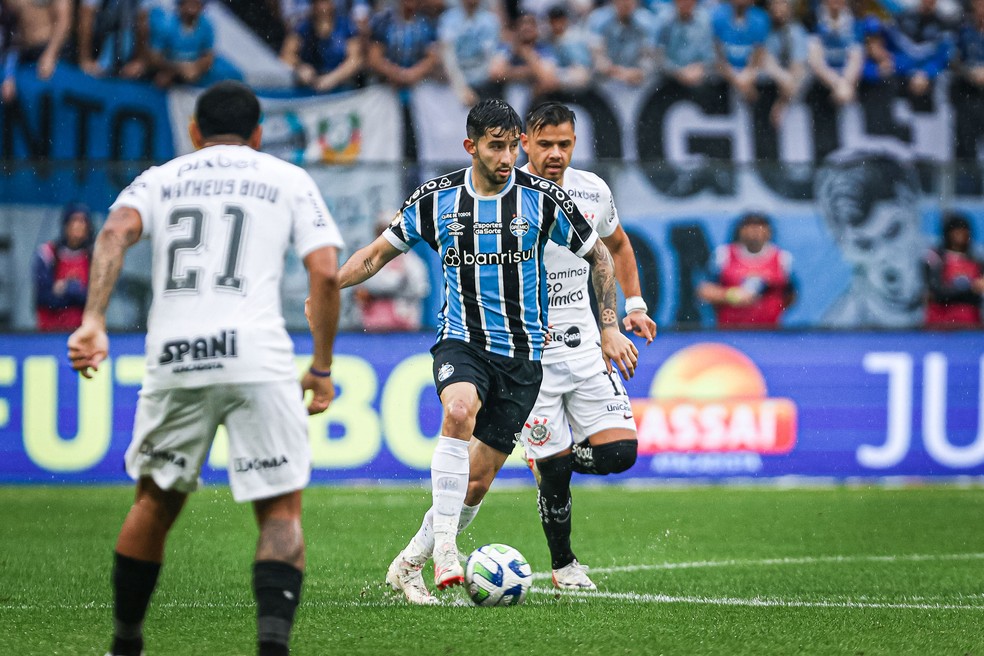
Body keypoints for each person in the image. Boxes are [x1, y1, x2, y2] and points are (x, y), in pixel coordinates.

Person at [67, 81, 344, 656]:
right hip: (256, 356)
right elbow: (324, 270)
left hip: (176, 355)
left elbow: (115, 231)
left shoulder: (162, 177)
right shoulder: (286, 177)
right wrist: (320, 365)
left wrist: (93, 318)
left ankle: (126, 643)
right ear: (259, 134)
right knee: (279, 508)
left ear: (194, 132)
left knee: (155, 501)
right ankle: (272, 649)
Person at [331, 99, 635, 604]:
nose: (508, 156)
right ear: (471, 146)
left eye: (514, 146)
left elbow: (601, 256)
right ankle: (447, 549)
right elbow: (377, 255)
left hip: (522, 357)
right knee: (458, 409)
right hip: (463, 341)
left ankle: (410, 564)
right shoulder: (438, 197)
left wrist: (608, 325)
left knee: (475, 482)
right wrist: (328, 285)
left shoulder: (542, 199)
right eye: (497, 146)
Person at [513, 101, 656, 590]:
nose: (555, 153)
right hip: (531, 358)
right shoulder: (503, 195)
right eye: (545, 143)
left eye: (565, 144)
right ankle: (564, 565)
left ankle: (548, 455)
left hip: (588, 347)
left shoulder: (592, 191)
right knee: (554, 477)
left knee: (619, 455)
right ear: (524, 141)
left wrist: (629, 308)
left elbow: (615, 247)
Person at [815, 148, 926, 328]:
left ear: (914, 212)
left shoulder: (952, 268)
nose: (884, 255)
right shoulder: (839, 328)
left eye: (892, 231)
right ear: (843, 247)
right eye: (864, 245)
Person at [697, 211, 796, 328]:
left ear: (769, 231)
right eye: (749, 226)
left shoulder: (782, 258)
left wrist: (769, 307)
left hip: (770, 334)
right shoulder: (723, 255)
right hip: (730, 331)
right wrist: (732, 296)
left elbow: (791, 296)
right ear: (740, 230)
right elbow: (704, 291)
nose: (754, 231)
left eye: (759, 226)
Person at [353, 210, 430, 331]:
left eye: (389, 231)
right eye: (381, 232)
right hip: (373, 326)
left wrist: (387, 289)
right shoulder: (367, 259)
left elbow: (420, 289)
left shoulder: (412, 261)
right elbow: (362, 289)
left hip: (404, 325)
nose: (385, 237)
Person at [33, 202, 94, 332]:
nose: (79, 226)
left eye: (83, 221)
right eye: (75, 220)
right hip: (49, 333)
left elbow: (95, 301)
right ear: (65, 224)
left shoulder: (93, 257)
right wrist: (75, 292)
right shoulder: (48, 253)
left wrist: (66, 289)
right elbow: (43, 297)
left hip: (82, 333)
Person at [279, 0, 363, 93]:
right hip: (311, 86)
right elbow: (286, 55)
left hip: (342, 86)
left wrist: (333, 78)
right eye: (318, 3)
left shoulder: (346, 26)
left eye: (325, 2)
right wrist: (300, 67)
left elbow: (355, 60)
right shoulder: (303, 28)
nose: (322, 7)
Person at [924, 212, 984, 328]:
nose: (961, 235)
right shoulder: (935, 258)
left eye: (964, 231)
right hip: (941, 325)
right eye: (957, 231)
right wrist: (970, 287)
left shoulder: (976, 260)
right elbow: (937, 292)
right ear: (948, 233)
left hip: (970, 325)